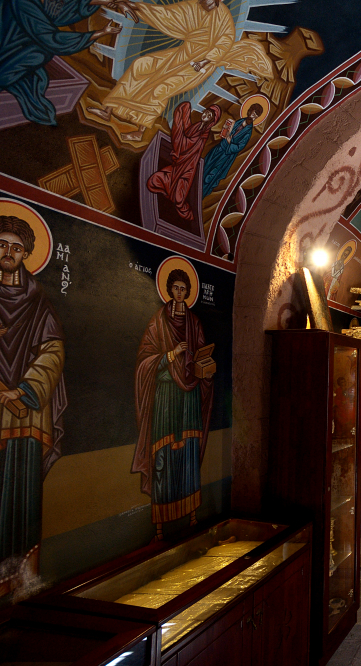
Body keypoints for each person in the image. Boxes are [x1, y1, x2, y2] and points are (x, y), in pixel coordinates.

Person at [90, 0, 272, 143]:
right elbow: (167, 15)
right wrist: (135, 7)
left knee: (162, 89)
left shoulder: (223, 18)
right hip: (181, 55)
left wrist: (203, 62)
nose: (203, 2)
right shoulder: (195, 6)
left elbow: (223, 44)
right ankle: (108, 109)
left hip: (200, 66)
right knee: (141, 66)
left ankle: (140, 130)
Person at [0, 215, 66, 600]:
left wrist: (23, 390)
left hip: (24, 413)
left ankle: (19, 578)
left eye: (15, 247)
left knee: (20, 495)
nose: (8, 253)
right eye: (2, 244)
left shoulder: (39, 303)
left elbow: (53, 350)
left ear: (26, 254)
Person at [133, 268, 213, 540]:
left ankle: (191, 513)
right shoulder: (158, 321)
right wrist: (170, 354)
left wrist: (205, 369)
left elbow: (201, 352)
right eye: (175, 287)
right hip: (166, 397)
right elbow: (145, 363)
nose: (179, 292)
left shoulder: (194, 322)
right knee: (164, 455)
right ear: (169, 290)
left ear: (188, 293)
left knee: (188, 452)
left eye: (183, 288)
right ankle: (160, 523)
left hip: (188, 397)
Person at [0, 0, 123, 126]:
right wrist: (100, 33)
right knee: (40, 54)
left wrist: (103, 2)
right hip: (8, 49)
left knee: (41, 54)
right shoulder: (22, 3)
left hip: (25, 42)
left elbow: (62, 14)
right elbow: (51, 38)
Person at [146, 102, 221, 221]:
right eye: (205, 112)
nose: (205, 115)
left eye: (209, 115)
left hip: (187, 167)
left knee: (179, 198)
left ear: (212, 120)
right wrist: (183, 115)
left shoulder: (204, 133)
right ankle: (168, 191)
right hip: (179, 164)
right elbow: (187, 133)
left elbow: (188, 144)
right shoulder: (197, 126)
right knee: (153, 181)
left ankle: (188, 214)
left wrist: (179, 134)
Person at [202, 103, 263, 195]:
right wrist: (225, 128)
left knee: (212, 175)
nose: (253, 117)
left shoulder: (248, 132)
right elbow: (227, 132)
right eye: (253, 113)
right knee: (205, 166)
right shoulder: (238, 122)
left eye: (256, 116)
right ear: (250, 111)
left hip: (226, 155)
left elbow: (239, 147)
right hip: (219, 148)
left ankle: (201, 192)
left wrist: (230, 142)